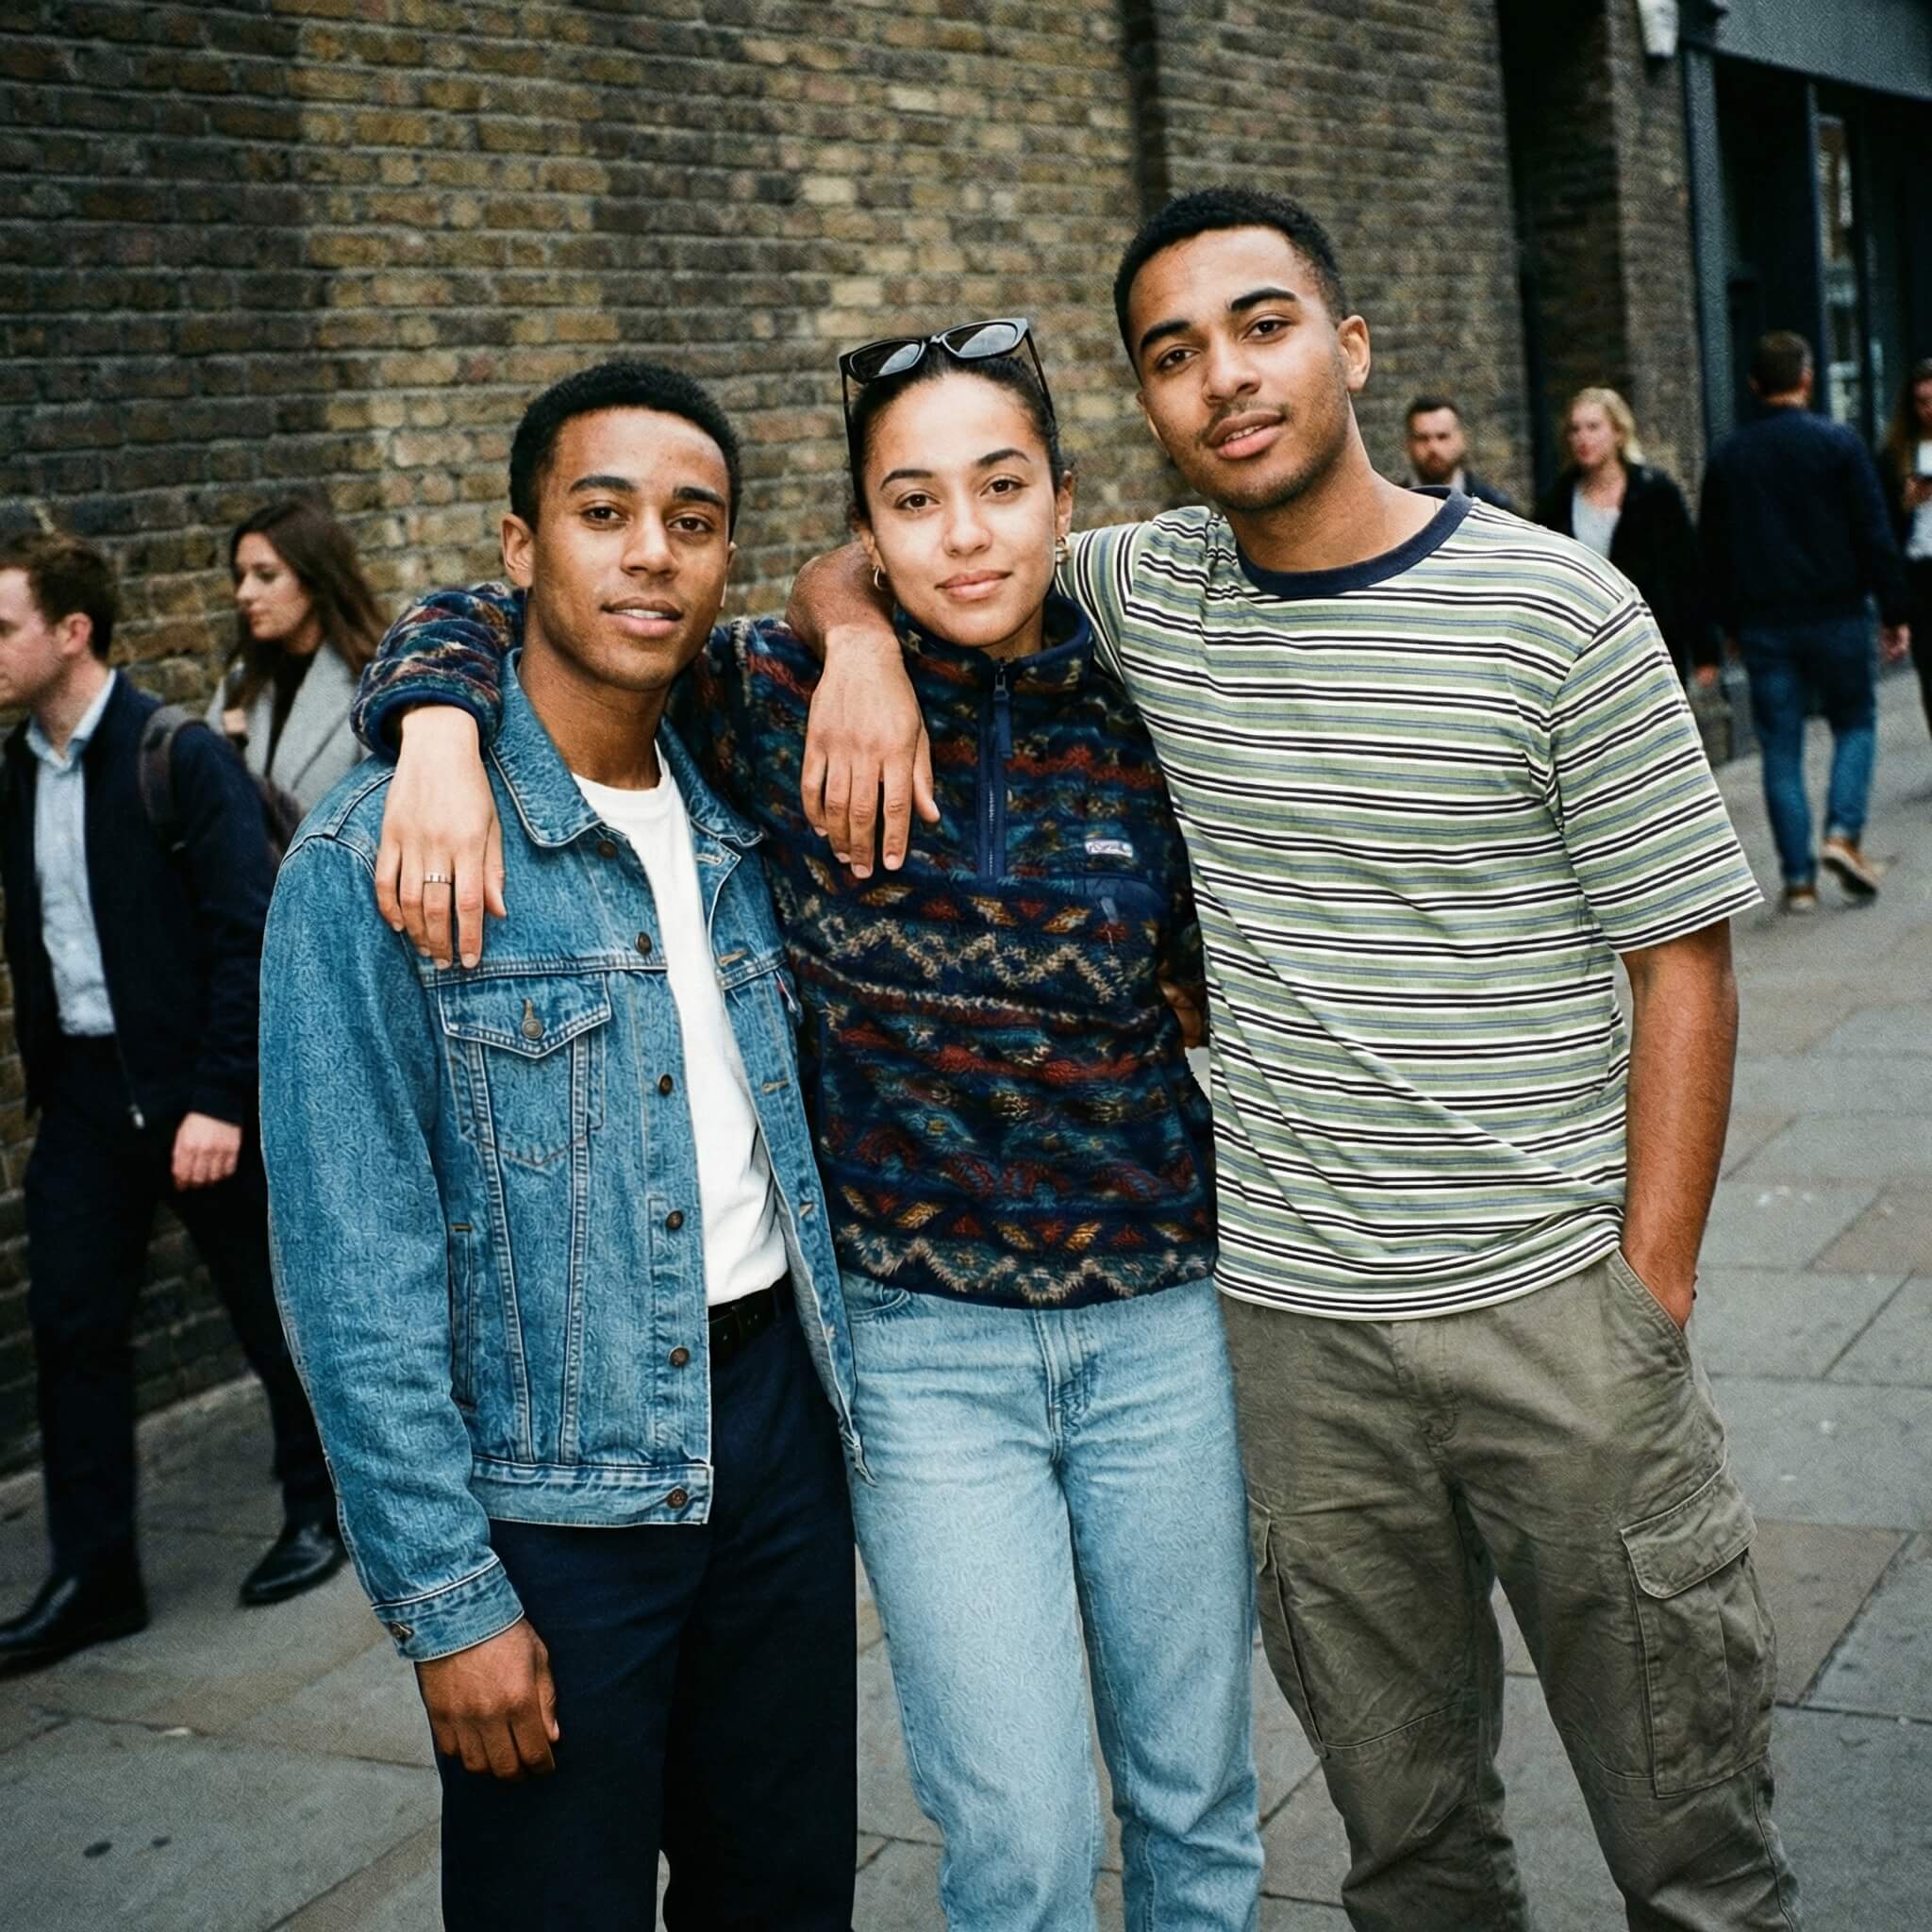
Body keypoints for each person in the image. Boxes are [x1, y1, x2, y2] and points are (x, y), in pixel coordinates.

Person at [793, 187, 1799, 1930]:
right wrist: (859, 634)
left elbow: (1682, 966)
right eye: (1170, 356)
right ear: (1145, 407)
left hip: (1555, 1307)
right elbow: (879, 547)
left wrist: (1651, 1291)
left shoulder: (1556, 610)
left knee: (1690, 1847)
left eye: (1259, 327)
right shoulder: (1135, 588)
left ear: (1344, 344)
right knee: (1406, 1854)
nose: (1222, 380)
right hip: (1287, 1335)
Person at [350, 335, 1264, 1930]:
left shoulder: (1145, 696)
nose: (963, 535)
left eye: (1000, 487)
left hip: (1157, 1323)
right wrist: (431, 727)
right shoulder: (762, 690)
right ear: (860, 527)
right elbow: (517, 615)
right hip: (920, 1355)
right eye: (912, 500)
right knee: (1024, 1837)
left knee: (1193, 1804)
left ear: (1065, 497)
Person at [258, 362, 862, 1931]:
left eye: (691, 521)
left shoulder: (742, 793)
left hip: (775, 1438)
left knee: (784, 1890)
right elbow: (349, 1266)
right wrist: (446, 1599)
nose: (649, 552)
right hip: (551, 1484)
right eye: (603, 513)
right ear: (519, 546)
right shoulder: (376, 852)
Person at [0, 532, 341, 1677]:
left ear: (72, 631)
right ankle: (96, 1577)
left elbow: (247, 932)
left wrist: (218, 1099)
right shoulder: (16, 769)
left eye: (3, 627)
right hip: (89, 1099)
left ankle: (321, 1509)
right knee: (71, 1326)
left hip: (197, 1089)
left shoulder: (175, 752)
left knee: (268, 1305)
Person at [1700, 331, 1911, 913]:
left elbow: (1713, 550)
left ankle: (1797, 881)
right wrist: (1896, 611)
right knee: (1855, 723)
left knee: (1781, 748)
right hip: (1839, 614)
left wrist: (1727, 625)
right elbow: (1874, 533)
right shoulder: (1839, 445)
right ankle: (1841, 834)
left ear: (1752, 386)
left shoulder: (1729, 457)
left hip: (1766, 624)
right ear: (1808, 378)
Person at [1536, 386, 1716, 684]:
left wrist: (1704, 650)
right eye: (1575, 429)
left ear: (1618, 433)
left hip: (1650, 642)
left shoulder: (1654, 492)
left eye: (1594, 427)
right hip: (1584, 649)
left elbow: (1685, 571)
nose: (1583, 438)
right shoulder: (1558, 499)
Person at [213, 497, 384, 814]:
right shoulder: (239, 684)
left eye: (265, 575)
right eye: (241, 576)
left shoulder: (372, 686)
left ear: (315, 580)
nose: (244, 594)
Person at [1877, 354, 1932, 741]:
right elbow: (1882, 526)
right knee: (1930, 670)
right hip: (1921, 572)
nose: (1929, 410)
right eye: (1922, 402)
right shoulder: (1898, 453)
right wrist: (1906, 502)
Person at [1404, 394, 1515, 509]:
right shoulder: (1391, 509)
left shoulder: (1495, 508)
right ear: (1408, 444)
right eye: (1422, 438)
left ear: (1462, 439)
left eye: (1443, 436)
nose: (1433, 447)